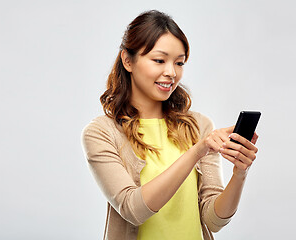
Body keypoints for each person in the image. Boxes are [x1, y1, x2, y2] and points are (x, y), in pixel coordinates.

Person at [81, 10, 259, 240]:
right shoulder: (101, 133)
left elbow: (214, 221)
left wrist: (240, 173)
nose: (171, 73)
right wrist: (197, 151)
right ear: (127, 60)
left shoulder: (199, 126)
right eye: (159, 60)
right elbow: (132, 209)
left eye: (179, 62)